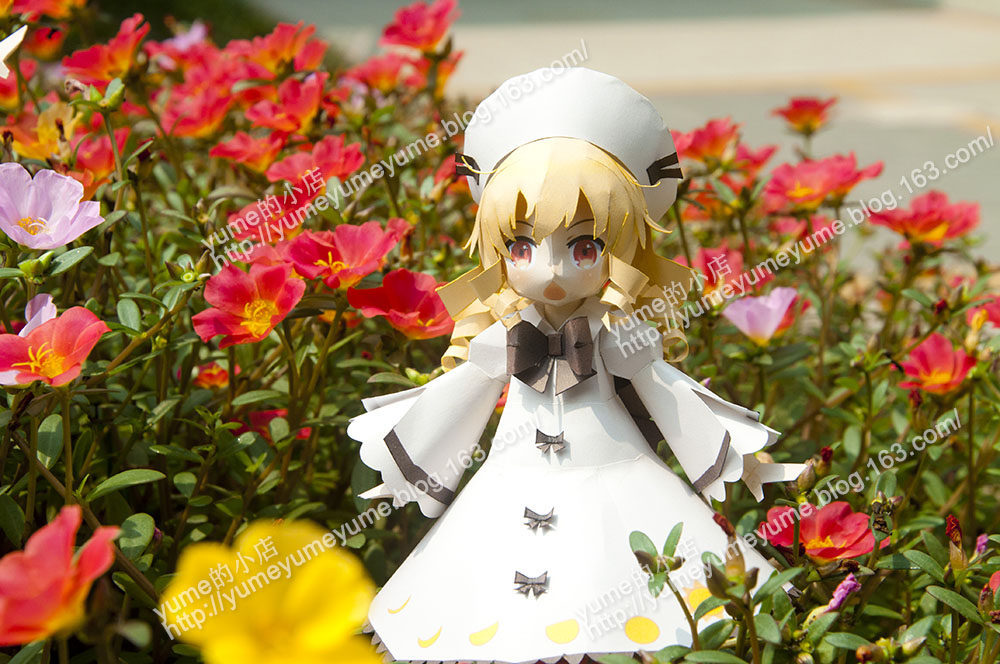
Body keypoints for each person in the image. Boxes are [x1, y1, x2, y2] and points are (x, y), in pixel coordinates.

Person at [348, 67, 803, 663]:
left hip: (620, 481)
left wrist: (743, 455)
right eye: (521, 247)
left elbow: (669, 393)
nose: (552, 271)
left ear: (622, 247)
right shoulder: (504, 337)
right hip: (509, 479)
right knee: (483, 604)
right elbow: (460, 394)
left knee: (631, 591)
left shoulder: (617, 335)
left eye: (585, 247)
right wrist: (405, 452)